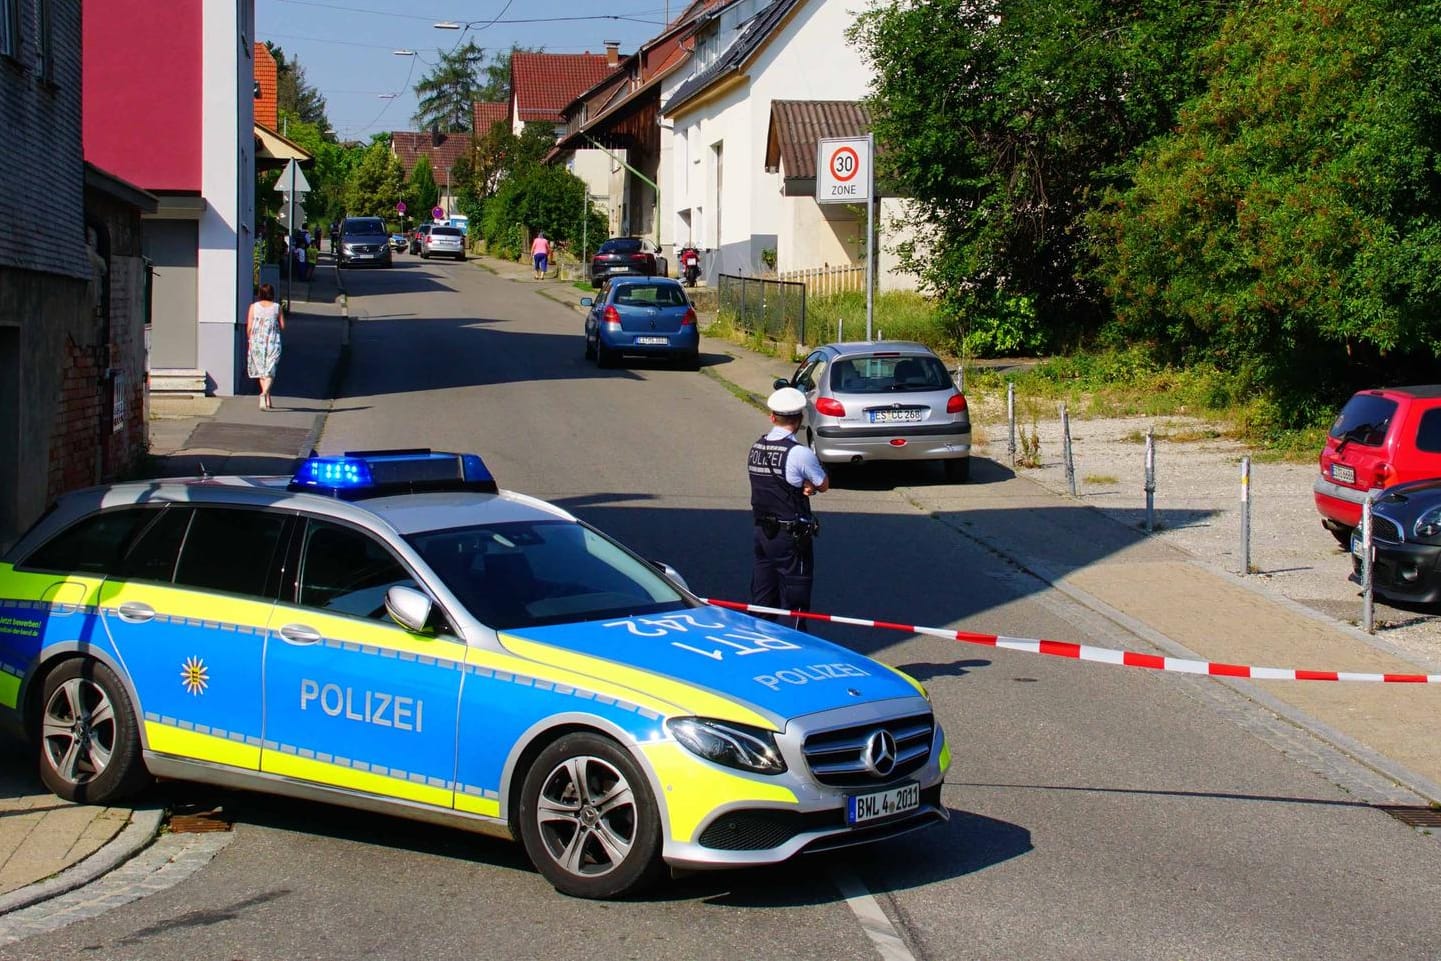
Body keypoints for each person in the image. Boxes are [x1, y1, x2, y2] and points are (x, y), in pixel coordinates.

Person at [748, 386, 829, 631]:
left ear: (772, 417)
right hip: (790, 536)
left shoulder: (757, 448)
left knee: (763, 597)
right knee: (796, 599)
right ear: (800, 419)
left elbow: (775, 485)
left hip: (763, 533)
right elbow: (823, 484)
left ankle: (760, 643)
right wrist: (808, 486)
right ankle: (794, 648)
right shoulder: (799, 453)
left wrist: (801, 484)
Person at [245, 283, 285, 410]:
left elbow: (249, 327)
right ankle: (264, 394)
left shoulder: (253, 307)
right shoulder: (277, 307)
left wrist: (250, 339)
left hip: (257, 341)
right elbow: (283, 326)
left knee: (262, 370)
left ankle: (266, 397)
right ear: (272, 294)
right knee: (270, 370)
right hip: (273, 341)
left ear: (260, 293)